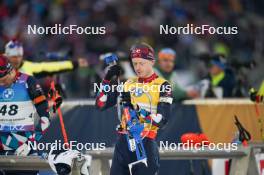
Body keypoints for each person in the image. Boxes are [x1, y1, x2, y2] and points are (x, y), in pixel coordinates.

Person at [96, 43, 173, 175]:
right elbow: (100, 104)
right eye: (135, 63)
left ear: (152, 62)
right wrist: (107, 79)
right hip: (123, 143)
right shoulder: (127, 83)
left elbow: (162, 119)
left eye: (141, 63)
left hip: (145, 142)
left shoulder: (163, 85)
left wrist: (137, 112)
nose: (137, 67)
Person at [0, 55, 50, 174]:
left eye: (2, 80)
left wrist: (31, 143)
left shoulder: (28, 81)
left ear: (11, 71)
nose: (1, 84)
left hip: (23, 146)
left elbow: (45, 119)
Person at [4, 40, 88, 78]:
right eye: (14, 57)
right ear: (7, 56)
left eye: (19, 56)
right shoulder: (2, 68)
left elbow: (52, 67)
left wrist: (75, 63)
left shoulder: (29, 67)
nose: (17, 59)